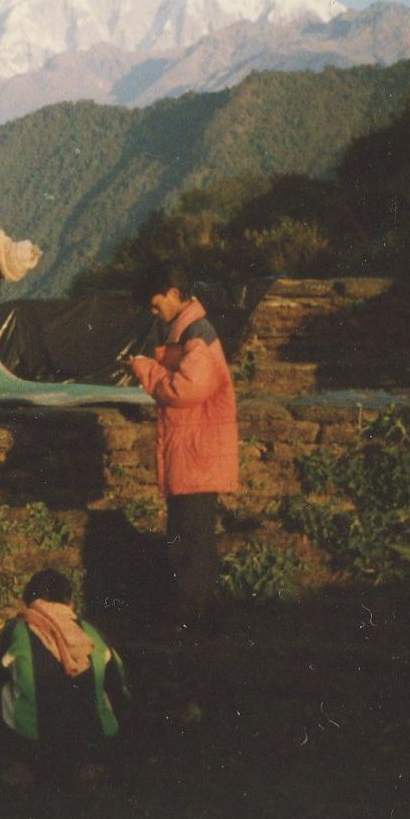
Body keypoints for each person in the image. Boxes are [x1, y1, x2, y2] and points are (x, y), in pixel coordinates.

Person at [127, 262, 240, 631]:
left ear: (174, 294)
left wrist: (147, 369)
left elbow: (185, 389)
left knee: (190, 544)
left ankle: (192, 620)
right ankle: (197, 616)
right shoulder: (189, 333)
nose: (153, 311)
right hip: (194, 456)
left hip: (197, 457)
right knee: (190, 541)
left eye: (157, 304)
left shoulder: (197, 336)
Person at [0, 569, 128, 763]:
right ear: (70, 602)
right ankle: (90, 766)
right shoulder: (93, 633)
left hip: (33, 744)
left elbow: (0, 674)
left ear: (28, 602)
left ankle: (18, 766)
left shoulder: (16, 629)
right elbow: (117, 684)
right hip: (92, 743)